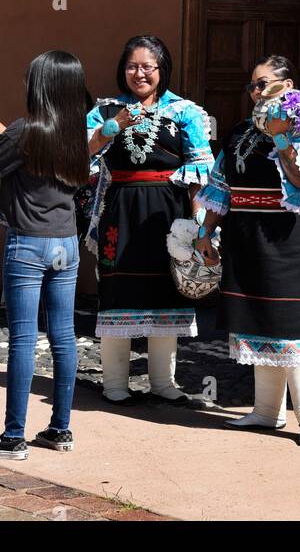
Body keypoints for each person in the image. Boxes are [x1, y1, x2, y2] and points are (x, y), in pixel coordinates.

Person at [194, 55, 300, 447]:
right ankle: (266, 412)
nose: (256, 91)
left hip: (287, 239)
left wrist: (281, 136)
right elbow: (221, 187)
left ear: (287, 85)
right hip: (245, 236)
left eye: (264, 83)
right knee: (255, 321)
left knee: (290, 327)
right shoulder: (240, 131)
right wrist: (205, 232)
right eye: (252, 85)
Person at [0, 51, 90, 460]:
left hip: (27, 245)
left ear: (40, 87)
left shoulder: (26, 131)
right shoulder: (73, 133)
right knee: (64, 337)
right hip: (66, 244)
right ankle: (60, 430)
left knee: (23, 339)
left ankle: (13, 438)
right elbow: (13, 146)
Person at [85, 35, 213, 404]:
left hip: (168, 215)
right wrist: (114, 127)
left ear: (162, 69)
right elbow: (81, 156)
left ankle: (162, 382)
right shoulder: (105, 110)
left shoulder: (185, 112)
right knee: (118, 289)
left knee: (166, 290)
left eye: (147, 67)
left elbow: (200, 171)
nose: (138, 74)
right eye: (131, 66)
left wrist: (201, 226)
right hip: (121, 211)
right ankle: (114, 383)